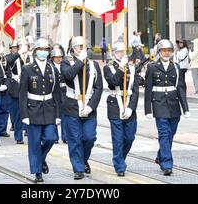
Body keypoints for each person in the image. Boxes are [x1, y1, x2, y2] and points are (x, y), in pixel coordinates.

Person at [144, 39, 190, 176]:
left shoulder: (176, 67)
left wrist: (186, 108)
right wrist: (148, 109)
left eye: (169, 50)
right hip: (159, 103)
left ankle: (160, 156)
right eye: (164, 50)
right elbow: (148, 89)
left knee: (170, 134)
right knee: (164, 133)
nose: (166, 53)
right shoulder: (152, 67)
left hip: (174, 103)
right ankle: (167, 164)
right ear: (159, 51)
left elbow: (181, 88)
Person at [61, 36, 103, 180]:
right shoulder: (66, 62)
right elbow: (68, 75)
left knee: (89, 137)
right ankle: (78, 168)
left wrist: (91, 106)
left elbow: (99, 88)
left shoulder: (94, 65)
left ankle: (83, 159)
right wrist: (80, 61)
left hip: (89, 108)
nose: (82, 49)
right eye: (79, 47)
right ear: (73, 49)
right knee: (75, 139)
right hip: (72, 106)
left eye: (84, 47)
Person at [19, 38, 61, 183]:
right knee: (35, 142)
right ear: (35, 51)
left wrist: (58, 114)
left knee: (50, 138)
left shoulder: (53, 69)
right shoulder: (27, 69)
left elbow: (56, 93)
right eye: (41, 49)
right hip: (33, 109)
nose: (43, 52)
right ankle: (37, 172)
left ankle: (41, 159)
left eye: (46, 50)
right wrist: (24, 114)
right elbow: (22, 93)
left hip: (49, 108)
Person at [103, 41, 141, 177]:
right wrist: (121, 68)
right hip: (115, 106)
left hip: (129, 104)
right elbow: (113, 82)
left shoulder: (131, 68)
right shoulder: (108, 68)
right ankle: (119, 165)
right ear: (113, 53)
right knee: (118, 139)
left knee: (129, 137)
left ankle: (120, 158)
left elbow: (135, 90)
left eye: (123, 52)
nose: (121, 54)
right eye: (118, 52)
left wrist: (131, 107)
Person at [5, 40, 28, 144]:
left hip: (28, 86)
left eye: (17, 47)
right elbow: (9, 60)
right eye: (13, 47)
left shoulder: (27, 56)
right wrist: (19, 53)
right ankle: (18, 136)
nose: (15, 49)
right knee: (16, 113)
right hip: (15, 86)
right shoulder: (11, 57)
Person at [50, 44, 67, 144]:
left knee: (65, 114)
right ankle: (55, 136)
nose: (58, 59)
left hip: (64, 91)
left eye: (60, 57)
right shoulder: (50, 66)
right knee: (54, 114)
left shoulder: (65, 65)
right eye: (56, 57)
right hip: (54, 92)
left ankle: (65, 136)